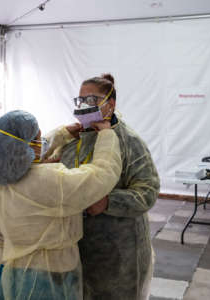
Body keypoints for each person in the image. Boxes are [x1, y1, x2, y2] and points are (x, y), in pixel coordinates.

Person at [0, 110, 122, 299]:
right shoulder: (50, 180)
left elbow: (24, 150)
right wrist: (106, 135)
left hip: (0, 265)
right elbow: (101, 174)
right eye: (37, 138)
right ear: (25, 146)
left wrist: (63, 134)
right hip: (44, 275)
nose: (42, 143)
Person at [61, 74, 160, 300]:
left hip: (118, 251)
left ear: (110, 104)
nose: (84, 106)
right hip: (77, 247)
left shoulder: (129, 141)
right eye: (80, 100)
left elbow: (148, 191)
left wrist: (107, 202)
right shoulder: (74, 138)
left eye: (91, 101)